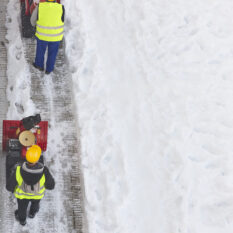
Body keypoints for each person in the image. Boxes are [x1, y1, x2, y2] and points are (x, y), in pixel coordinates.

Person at [6, 145, 55, 226]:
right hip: (37, 195)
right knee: (35, 204)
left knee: (22, 208)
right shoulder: (44, 171)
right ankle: (32, 213)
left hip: (22, 197)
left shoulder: (18, 170)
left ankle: (22, 220)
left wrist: (12, 189)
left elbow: (9, 186)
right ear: (37, 159)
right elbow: (51, 186)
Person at [30, 0, 65, 74]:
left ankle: (39, 65)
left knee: (40, 51)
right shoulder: (61, 8)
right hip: (56, 37)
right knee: (53, 53)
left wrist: (36, 25)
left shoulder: (40, 7)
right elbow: (63, 20)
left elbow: (32, 21)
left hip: (42, 35)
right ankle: (49, 69)